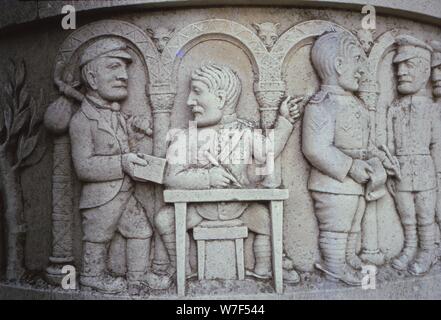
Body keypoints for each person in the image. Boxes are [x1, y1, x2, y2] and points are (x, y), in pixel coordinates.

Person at [155, 63, 302, 284]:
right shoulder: (185, 138)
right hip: (201, 210)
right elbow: (171, 178)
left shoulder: (246, 131)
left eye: (196, 92)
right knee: (164, 220)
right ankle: (180, 269)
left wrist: (285, 121)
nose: (189, 101)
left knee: (268, 220)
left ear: (221, 98)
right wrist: (208, 178)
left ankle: (266, 267)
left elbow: (267, 151)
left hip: (239, 208)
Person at [70, 38, 169, 294]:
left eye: (125, 69)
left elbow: (125, 129)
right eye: (114, 67)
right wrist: (122, 163)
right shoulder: (82, 120)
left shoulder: (116, 114)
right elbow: (83, 167)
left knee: (141, 230)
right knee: (97, 238)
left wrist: (141, 129)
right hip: (100, 199)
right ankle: (92, 276)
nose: (124, 76)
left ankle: (137, 277)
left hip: (125, 194)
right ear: (91, 78)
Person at [302, 31, 395, 285]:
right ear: (339, 65)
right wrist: (349, 166)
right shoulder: (322, 104)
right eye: (357, 61)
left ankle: (346, 257)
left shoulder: (357, 105)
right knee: (336, 225)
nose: (362, 72)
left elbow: (365, 143)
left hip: (357, 179)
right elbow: (315, 149)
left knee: (354, 223)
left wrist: (377, 160)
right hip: (332, 182)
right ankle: (333, 264)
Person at [387, 35, 441, 275]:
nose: (401, 72)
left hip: (424, 168)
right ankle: (410, 247)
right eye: (398, 66)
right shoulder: (394, 108)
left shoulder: (430, 108)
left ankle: (427, 250)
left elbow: (436, 143)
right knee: (407, 213)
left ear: (423, 71)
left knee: (425, 214)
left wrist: (438, 173)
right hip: (400, 169)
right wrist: (389, 164)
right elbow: (387, 140)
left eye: (408, 65)